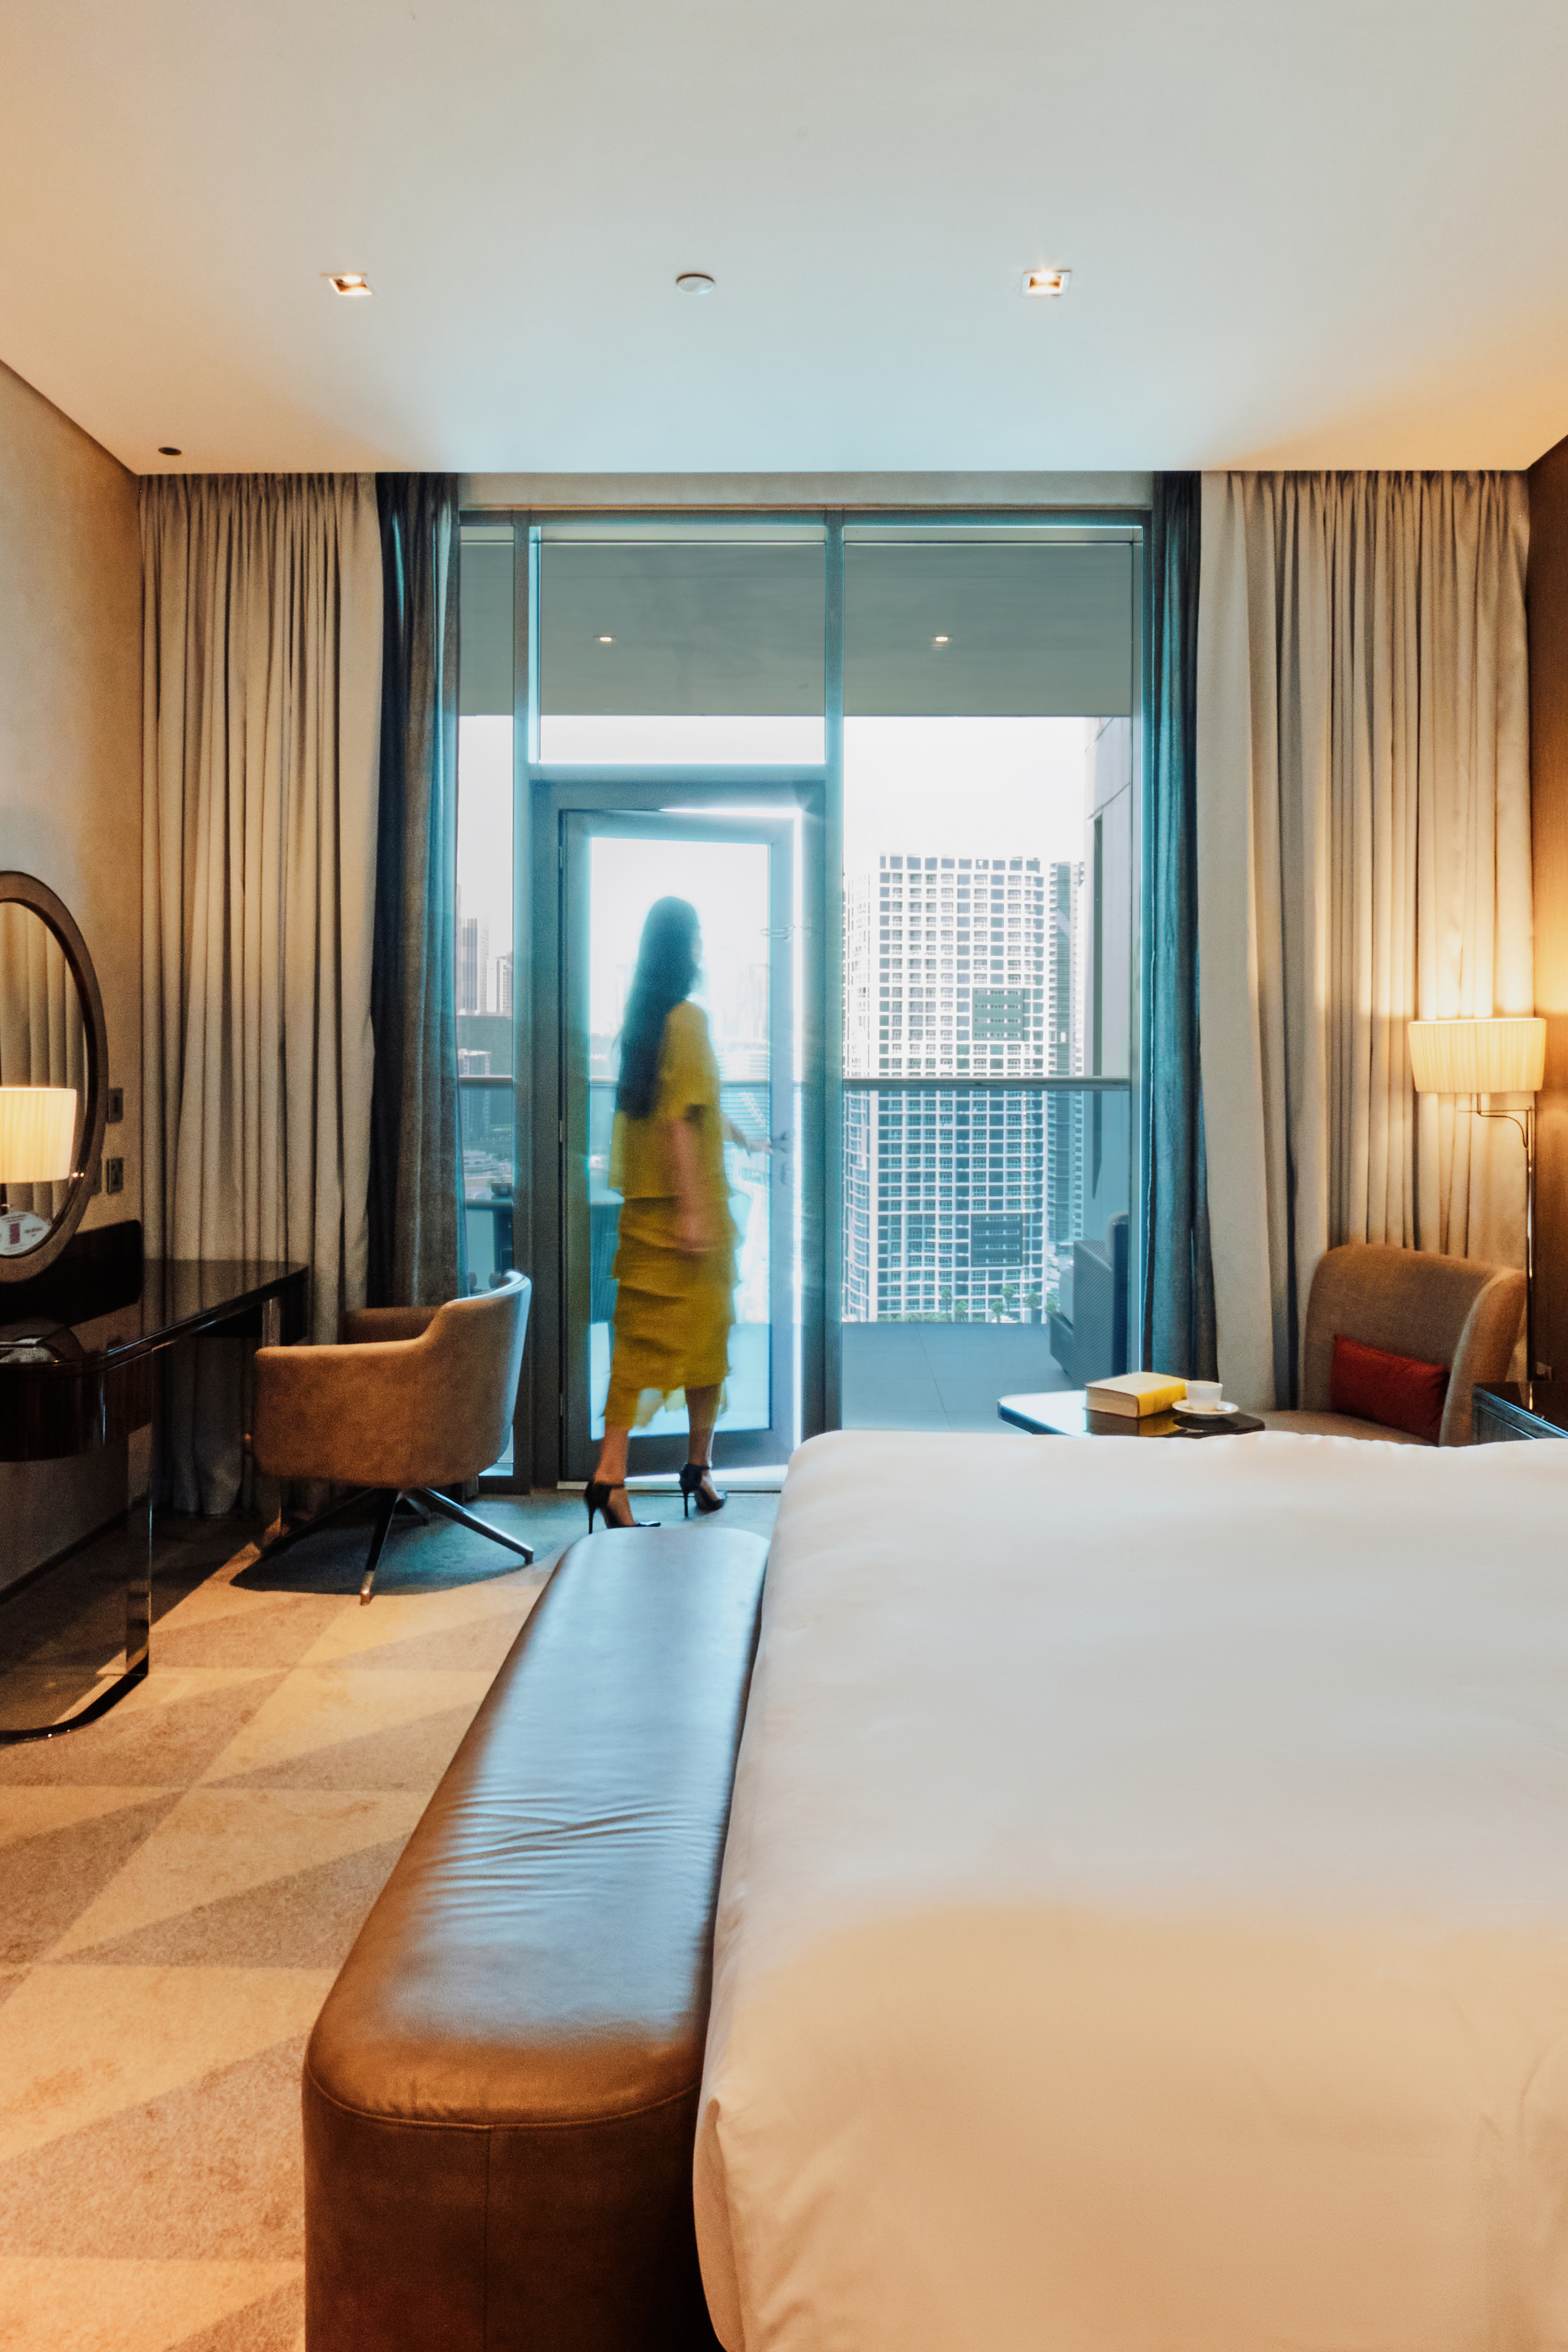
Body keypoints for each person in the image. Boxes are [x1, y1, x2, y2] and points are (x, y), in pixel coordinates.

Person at [587, 897, 764, 1531]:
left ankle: (613, 1476)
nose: (701, 952)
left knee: (639, 1349)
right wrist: (695, 1214)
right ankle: (698, 1464)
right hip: (689, 1216)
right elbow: (679, 1125)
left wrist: (747, 1139)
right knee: (707, 1343)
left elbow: (695, 1108)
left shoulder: (641, 1026)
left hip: (644, 1219)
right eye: (696, 940)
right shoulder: (688, 1020)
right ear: (683, 948)